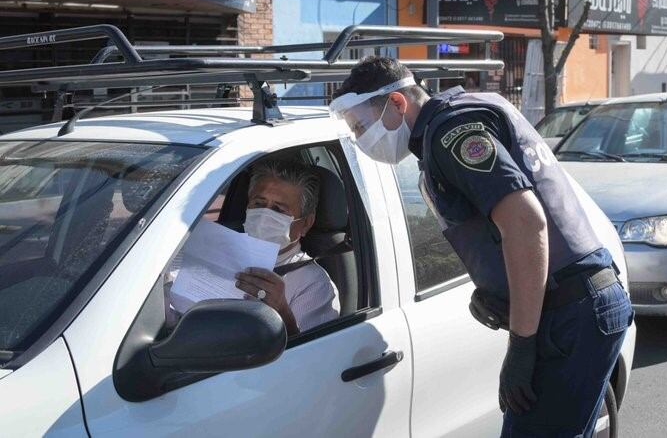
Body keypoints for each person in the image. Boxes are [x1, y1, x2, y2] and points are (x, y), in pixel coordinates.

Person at [329, 56, 633, 437]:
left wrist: (522, 346)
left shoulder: (450, 133)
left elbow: (526, 222)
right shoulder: (466, 112)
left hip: (569, 314)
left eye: (361, 126)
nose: (361, 139)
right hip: (578, 303)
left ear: (397, 103)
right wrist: (493, 287)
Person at [167, 159, 340, 336]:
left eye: (279, 210)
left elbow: (309, 356)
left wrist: (281, 310)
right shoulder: (208, 250)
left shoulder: (312, 283)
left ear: (305, 224)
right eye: (258, 204)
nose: (265, 215)